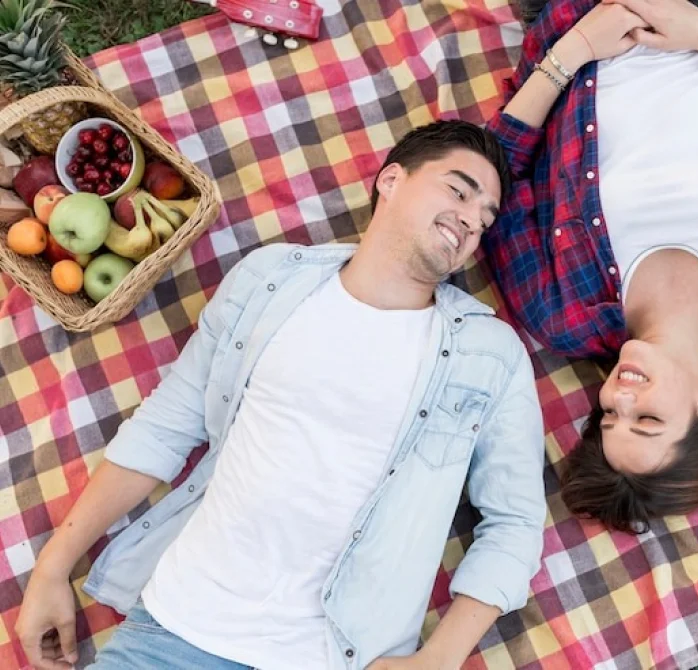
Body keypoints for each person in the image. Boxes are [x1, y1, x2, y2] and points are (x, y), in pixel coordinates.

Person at [15, 121, 547, 670]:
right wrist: (54, 569)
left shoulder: (489, 354)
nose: (470, 219)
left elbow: (515, 522)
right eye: (459, 191)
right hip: (176, 631)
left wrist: (440, 658)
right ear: (391, 180)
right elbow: (166, 426)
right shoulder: (268, 280)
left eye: (484, 218)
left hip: (335, 657)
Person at [483, 0, 698, 531]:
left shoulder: (561, 315)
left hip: (571, 20)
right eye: (648, 418)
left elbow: (494, 172)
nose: (621, 394)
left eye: (610, 415)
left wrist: (572, 50)